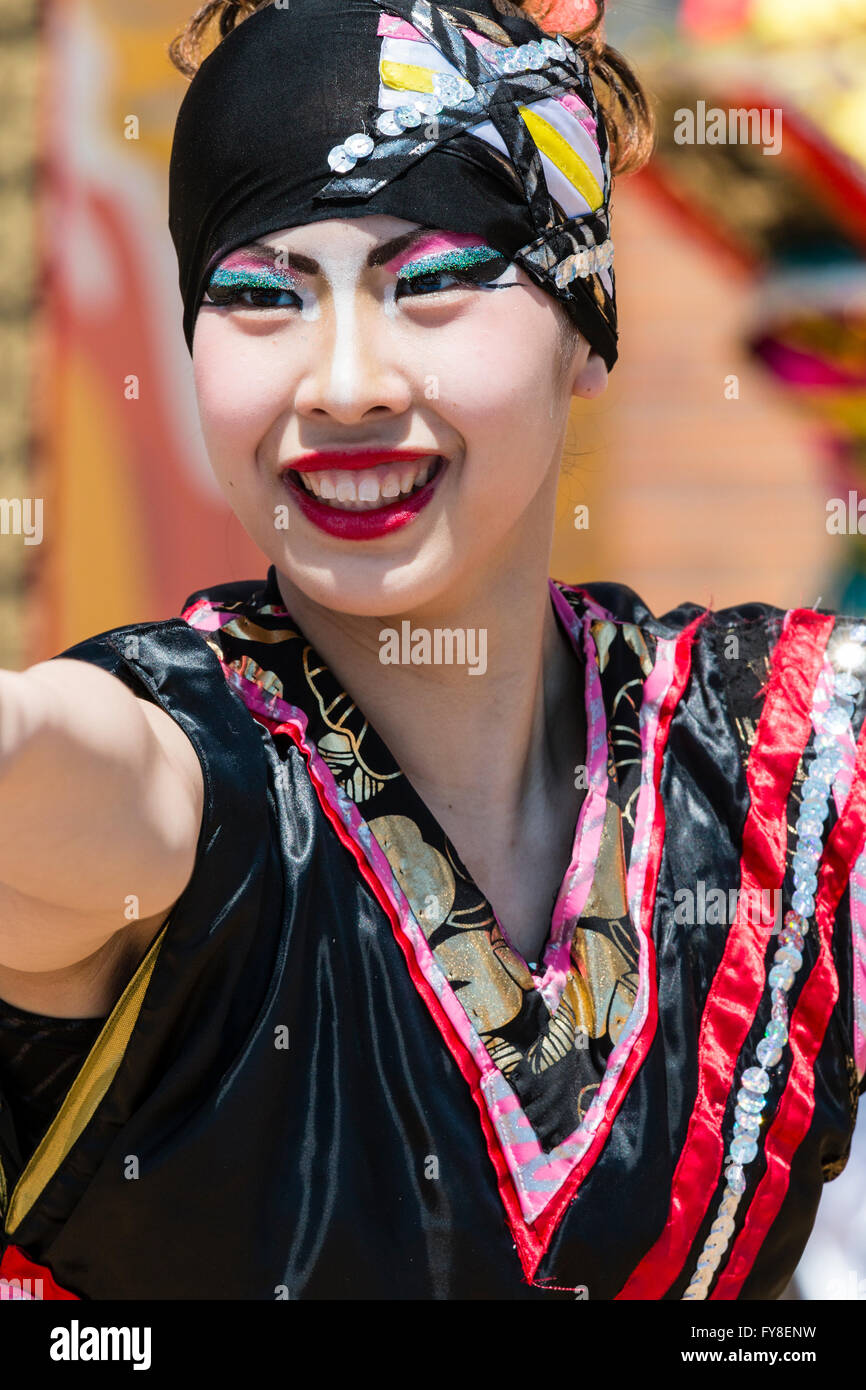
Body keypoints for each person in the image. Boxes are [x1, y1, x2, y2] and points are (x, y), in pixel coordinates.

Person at [0, 0, 862, 1302]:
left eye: (436, 281)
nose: (343, 382)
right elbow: (59, 766)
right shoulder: (170, 775)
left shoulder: (781, 760)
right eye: (255, 296)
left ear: (584, 326)